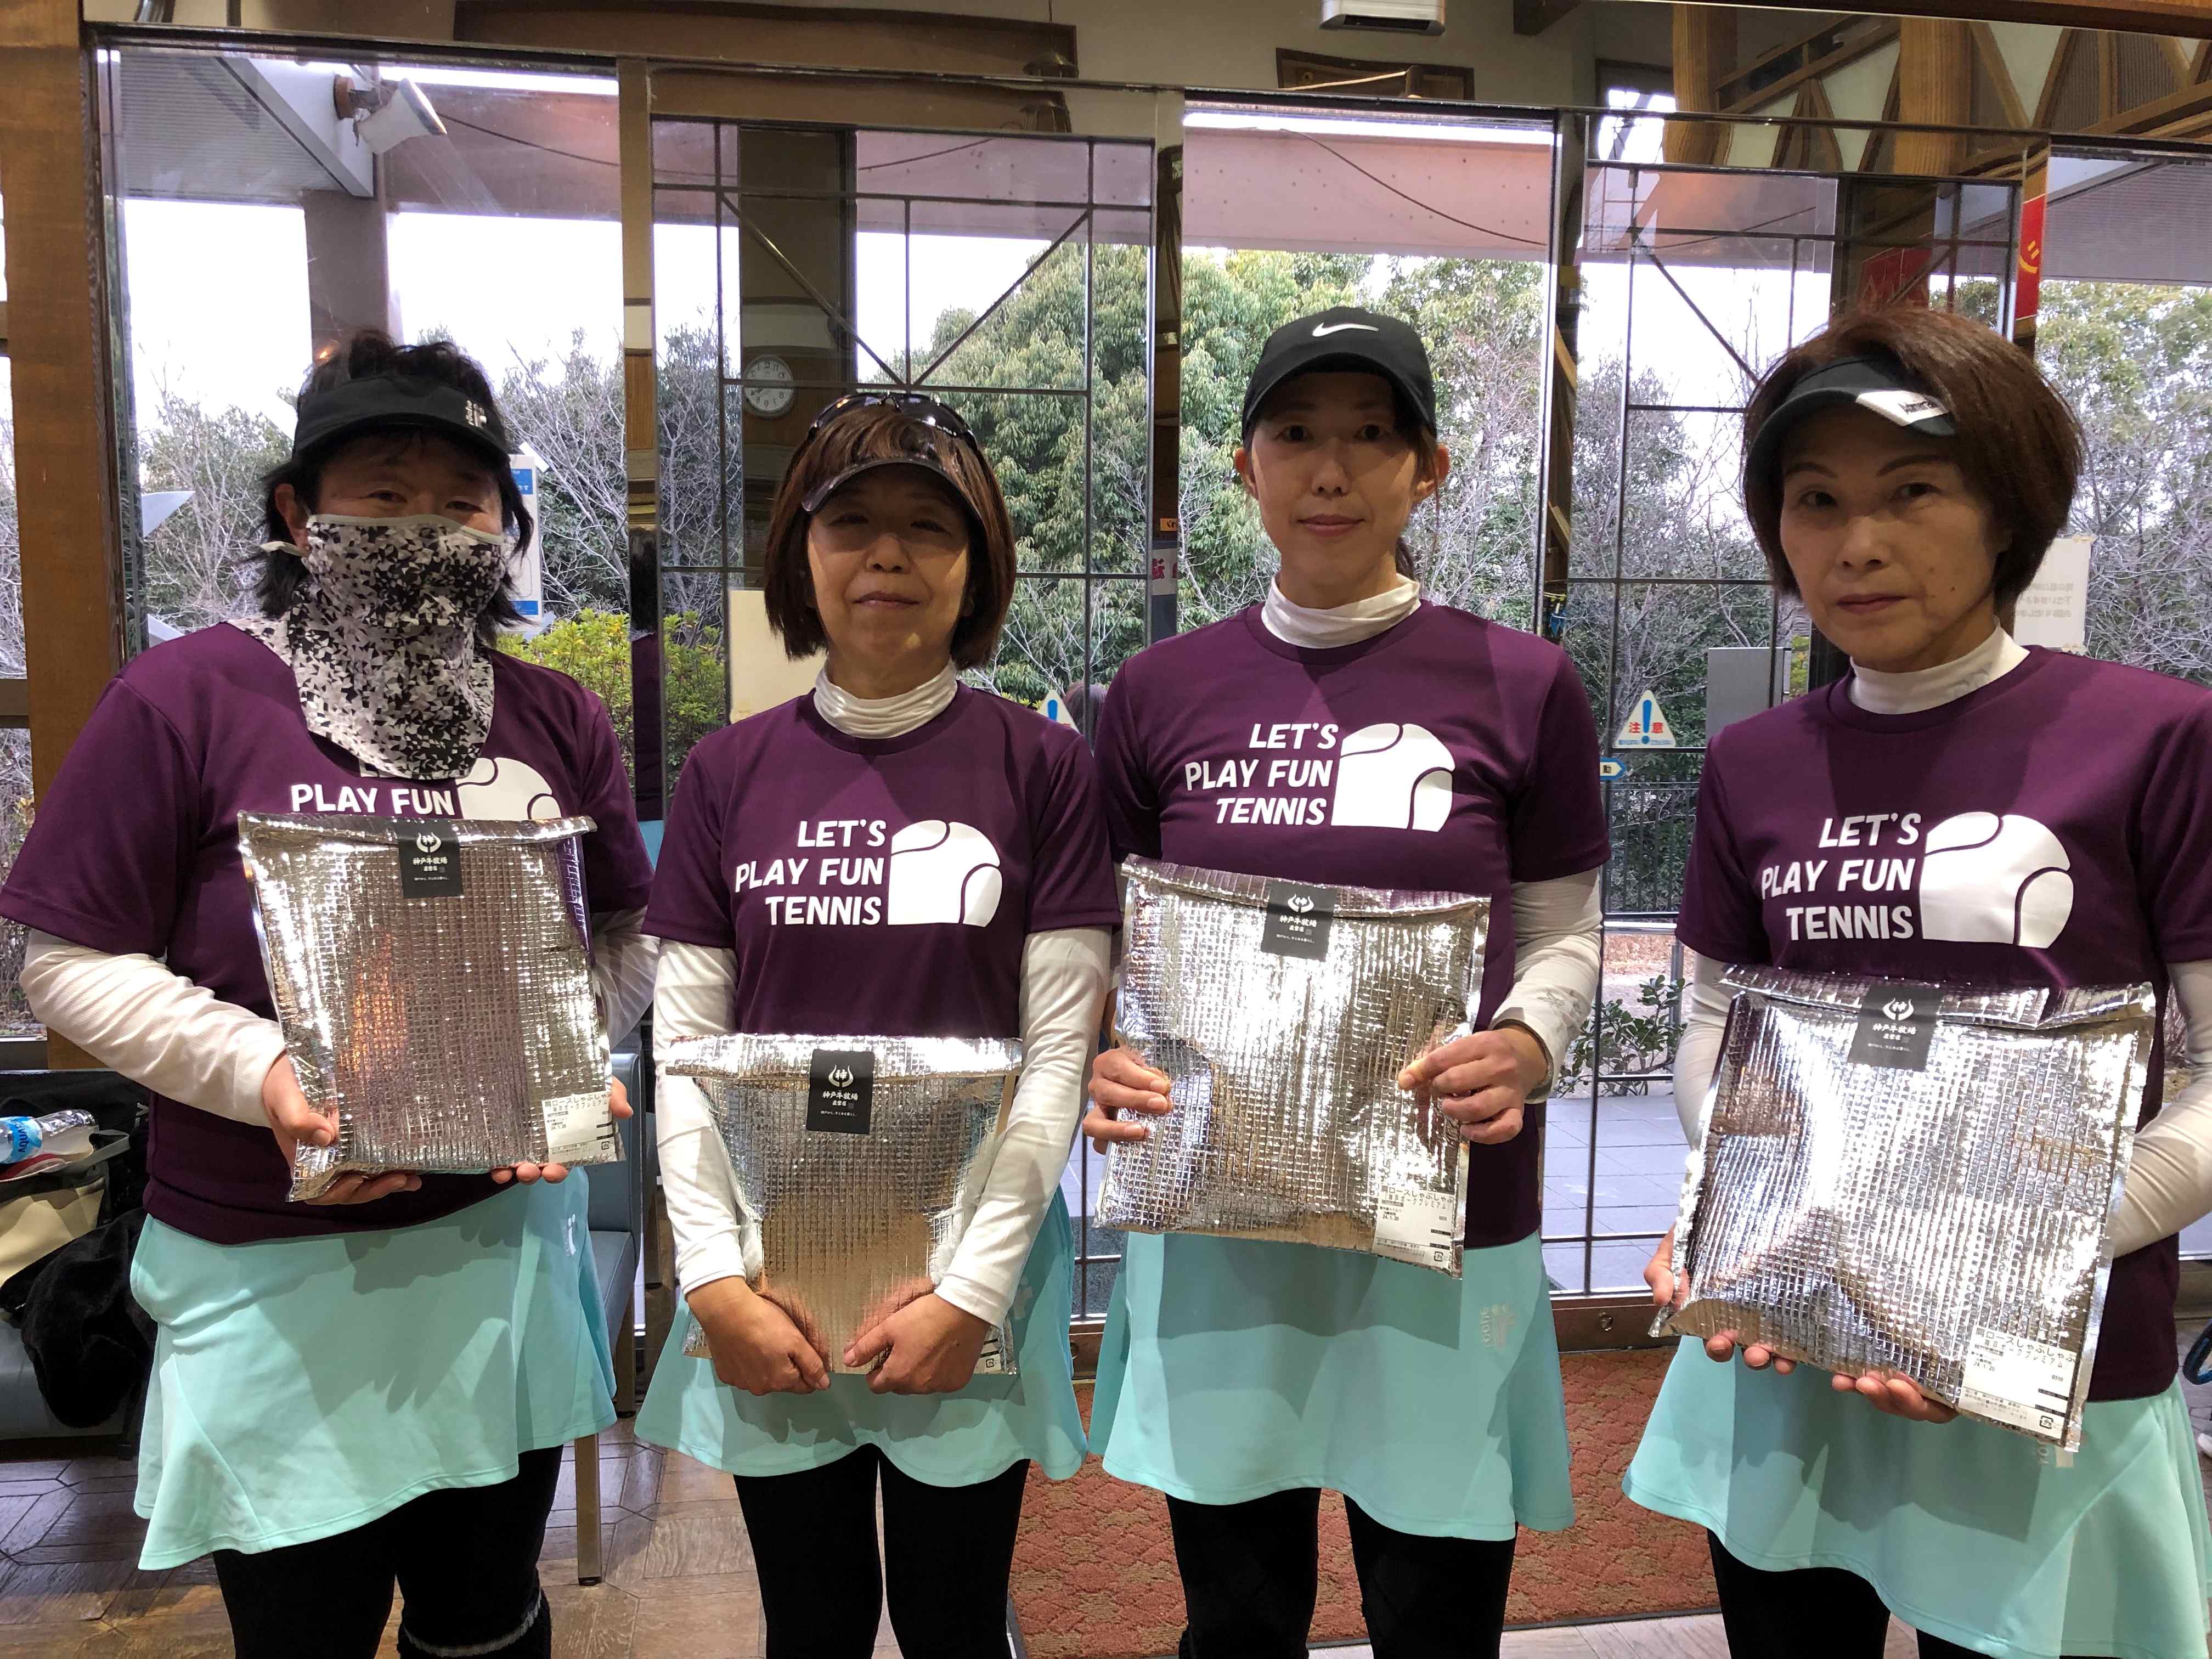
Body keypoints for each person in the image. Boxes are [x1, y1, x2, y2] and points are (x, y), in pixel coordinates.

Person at [0, 332, 657, 1658]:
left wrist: (559, 1056)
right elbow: (64, 959)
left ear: (507, 523)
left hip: (494, 1254)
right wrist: (267, 1075)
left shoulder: (554, 717)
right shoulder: (187, 698)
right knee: (303, 1630)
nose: (428, 528)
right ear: (299, 514)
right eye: (384, 493)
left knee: (487, 1621)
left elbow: (626, 939)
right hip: (270, 1265)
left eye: (463, 500)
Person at [1626, 307, 2212, 1659]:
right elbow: (1715, 1027)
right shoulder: (1756, 762)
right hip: (1799, 1333)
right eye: (1816, 500)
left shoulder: (2155, 738)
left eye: (1911, 493)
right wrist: (1740, 1203)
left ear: (2008, 510)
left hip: (2044, 1353)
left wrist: (1999, 1263)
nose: (1857, 543)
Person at [1081, 307, 1609, 1658]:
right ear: (1244, 467)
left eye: (1373, 435)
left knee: (1436, 1606)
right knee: (1237, 1608)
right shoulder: (1157, 691)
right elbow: (1111, 934)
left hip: (1446, 1204)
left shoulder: (1524, 682)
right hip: (1218, 1208)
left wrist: (1529, 1046)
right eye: (1297, 434)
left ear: (1428, 469)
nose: (1332, 469)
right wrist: (1103, 1053)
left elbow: (1563, 929)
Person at [635, 390, 1120, 1658]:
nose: (888, 556)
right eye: (852, 524)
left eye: (928, 527)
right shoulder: (725, 773)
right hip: (772, 1277)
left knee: (957, 1623)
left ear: (978, 563)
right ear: (801, 551)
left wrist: (971, 1293)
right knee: (813, 1623)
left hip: (968, 1273)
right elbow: (684, 1054)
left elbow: (1056, 1055)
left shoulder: (1044, 769)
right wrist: (711, 1282)